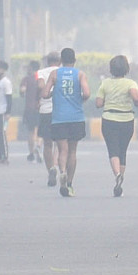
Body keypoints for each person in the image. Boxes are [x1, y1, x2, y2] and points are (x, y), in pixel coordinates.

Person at [43, 48, 90, 197]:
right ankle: (69, 183)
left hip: (59, 118)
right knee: (72, 151)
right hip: (76, 117)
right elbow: (87, 93)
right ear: (74, 60)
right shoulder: (80, 74)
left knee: (62, 150)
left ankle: (62, 171)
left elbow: (44, 94)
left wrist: (53, 93)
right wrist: (79, 99)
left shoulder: (55, 74)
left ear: (61, 61)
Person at [95, 55, 138, 197]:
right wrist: (136, 102)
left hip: (109, 119)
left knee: (113, 150)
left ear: (111, 69)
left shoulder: (105, 83)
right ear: (126, 69)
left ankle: (117, 175)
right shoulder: (130, 83)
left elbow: (98, 104)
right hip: (127, 120)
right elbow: (136, 98)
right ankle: (121, 177)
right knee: (122, 151)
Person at [36, 52, 61, 186]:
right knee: (61, 143)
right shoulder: (63, 72)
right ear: (60, 61)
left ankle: (51, 169)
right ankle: (59, 168)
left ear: (47, 61)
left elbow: (40, 86)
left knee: (47, 143)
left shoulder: (41, 72)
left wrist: (46, 91)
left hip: (45, 111)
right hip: (61, 111)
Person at [19, 60, 41, 162]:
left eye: (28, 67)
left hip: (29, 109)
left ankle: (31, 153)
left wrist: (23, 92)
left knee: (31, 131)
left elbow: (22, 90)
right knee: (40, 131)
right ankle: (39, 145)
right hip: (40, 108)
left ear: (31, 68)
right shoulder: (41, 79)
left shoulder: (26, 79)